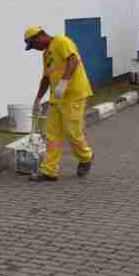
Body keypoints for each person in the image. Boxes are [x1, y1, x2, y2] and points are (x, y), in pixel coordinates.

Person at [23, 26, 94, 181]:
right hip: (57, 98)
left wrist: (64, 82)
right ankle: (49, 171)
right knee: (52, 135)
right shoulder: (46, 54)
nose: (34, 48)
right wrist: (38, 99)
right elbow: (46, 78)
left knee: (72, 132)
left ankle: (86, 156)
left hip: (73, 95)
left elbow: (73, 59)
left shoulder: (61, 41)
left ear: (39, 36)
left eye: (34, 44)